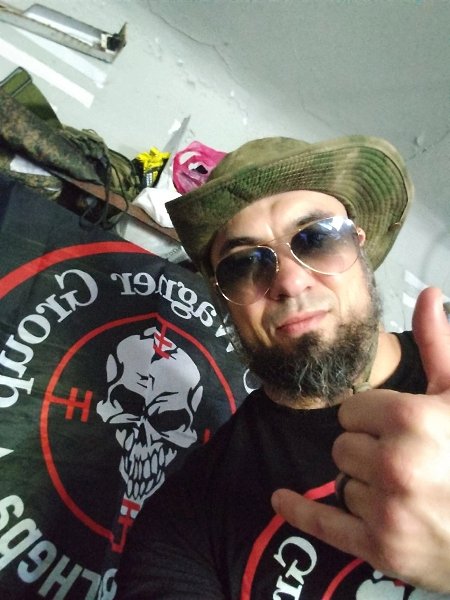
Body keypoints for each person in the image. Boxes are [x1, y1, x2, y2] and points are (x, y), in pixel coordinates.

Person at [116, 136, 450, 598]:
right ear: (225, 302)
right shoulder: (184, 522)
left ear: (359, 250)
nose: (290, 282)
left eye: (318, 238)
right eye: (244, 265)